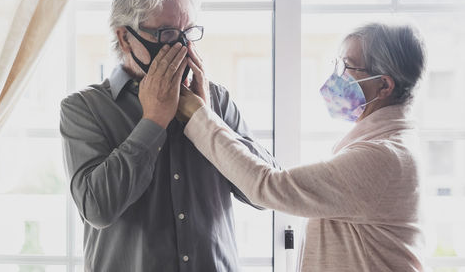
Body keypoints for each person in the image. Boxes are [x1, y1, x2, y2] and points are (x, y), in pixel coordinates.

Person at [59, 0, 278, 272]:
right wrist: (153, 121)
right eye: (167, 35)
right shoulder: (84, 109)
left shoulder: (216, 99)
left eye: (188, 33)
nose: (182, 47)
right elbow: (97, 208)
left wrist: (207, 120)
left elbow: (268, 192)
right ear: (125, 38)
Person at [174, 22, 427, 271]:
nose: (337, 77)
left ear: (384, 85)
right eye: (337, 64)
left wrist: (199, 117)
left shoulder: (382, 158)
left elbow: (267, 186)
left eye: (348, 66)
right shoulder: (387, 144)